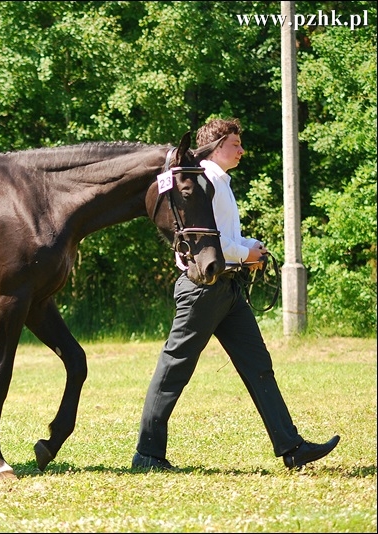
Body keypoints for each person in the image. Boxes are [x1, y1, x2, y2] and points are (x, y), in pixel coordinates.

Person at [132, 118, 340, 471]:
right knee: (174, 369)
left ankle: (291, 447)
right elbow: (205, 243)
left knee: (258, 366)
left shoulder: (220, 182)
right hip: (203, 290)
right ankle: (147, 455)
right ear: (215, 147)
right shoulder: (205, 180)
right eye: (235, 144)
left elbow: (222, 237)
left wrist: (249, 247)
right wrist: (245, 254)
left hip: (227, 288)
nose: (241, 150)